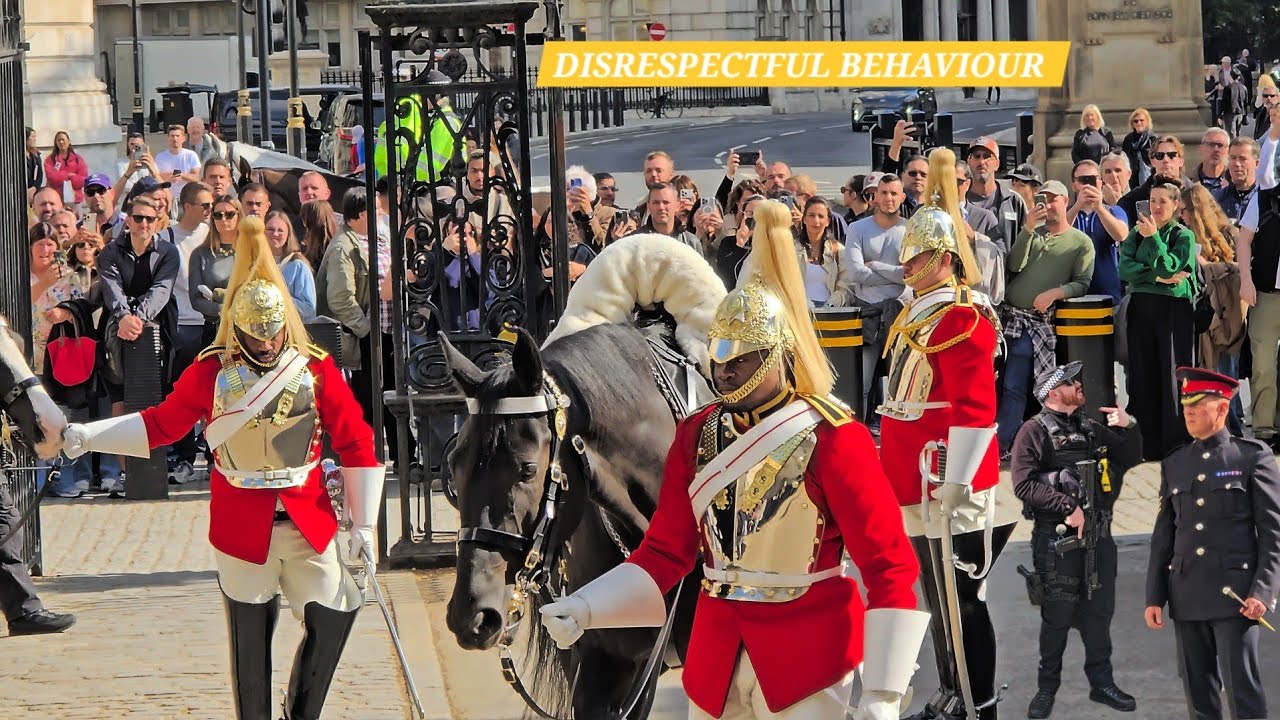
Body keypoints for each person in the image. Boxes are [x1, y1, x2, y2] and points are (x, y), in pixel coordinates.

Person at [537, 200, 930, 720]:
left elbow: (887, 564)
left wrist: (884, 691)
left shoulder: (835, 438)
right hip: (717, 659)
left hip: (807, 656)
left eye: (741, 358)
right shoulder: (697, 434)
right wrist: (589, 607)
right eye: (719, 355)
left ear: (777, 356)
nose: (723, 371)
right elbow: (663, 555)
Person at [61, 217, 386, 720]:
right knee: (249, 644)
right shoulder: (212, 370)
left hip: (308, 519)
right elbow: (163, 425)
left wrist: (364, 524)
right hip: (241, 523)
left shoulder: (313, 366)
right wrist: (92, 435)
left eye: (273, 333)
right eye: (256, 336)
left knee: (338, 613)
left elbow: (357, 441)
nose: (267, 344)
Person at [877, 148, 1013, 720]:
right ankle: (953, 691)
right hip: (917, 479)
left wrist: (956, 482)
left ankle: (979, 703)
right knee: (938, 603)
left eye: (920, 258)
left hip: (944, 481)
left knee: (963, 604)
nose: (908, 267)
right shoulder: (920, 311)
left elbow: (976, 408)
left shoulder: (961, 316)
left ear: (946, 259)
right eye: (908, 259)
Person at [1145, 367, 1280, 720]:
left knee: (1243, 694)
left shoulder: (1251, 457)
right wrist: (1154, 596)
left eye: (1198, 404)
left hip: (1236, 596)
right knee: (1198, 694)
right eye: (1186, 404)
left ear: (1222, 409)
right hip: (1187, 595)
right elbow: (1164, 535)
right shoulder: (1175, 463)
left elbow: (1272, 533)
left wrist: (1262, 591)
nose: (1188, 411)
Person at [1011, 361, 1143, 718]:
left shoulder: (1088, 428)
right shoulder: (1033, 431)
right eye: (1073, 383)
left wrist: (1128, 425)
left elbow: (1131, 456)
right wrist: (1067, 504)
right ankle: (1045, 689)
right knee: (1057, 616)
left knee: (1099, 615)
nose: (1080, 385)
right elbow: (1023, 484)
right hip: (1058, 541)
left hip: (1099, 538)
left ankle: (1102, 683)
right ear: (1055, 392)